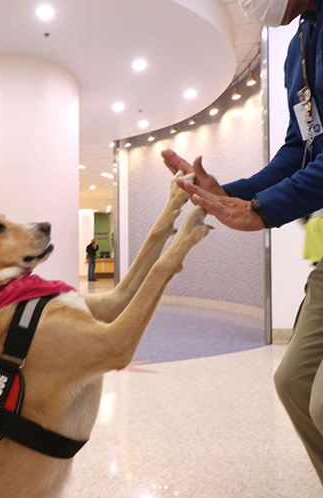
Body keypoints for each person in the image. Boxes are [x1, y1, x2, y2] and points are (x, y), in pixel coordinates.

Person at [162, 0, 323, 484]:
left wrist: (265, 210)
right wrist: (230, 193)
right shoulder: (298, 47)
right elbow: (300, 150)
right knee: (294, 382)